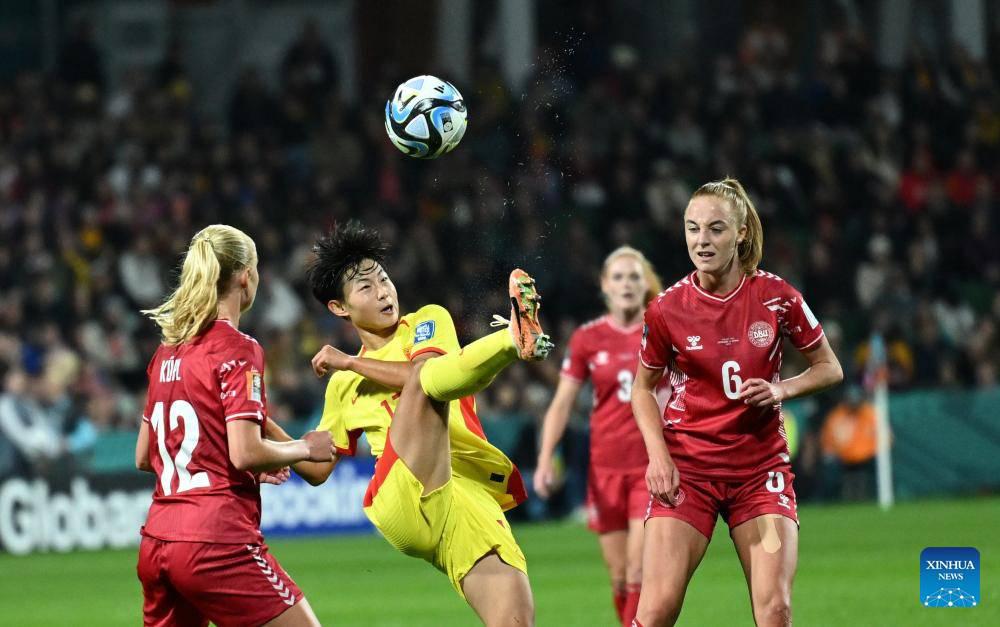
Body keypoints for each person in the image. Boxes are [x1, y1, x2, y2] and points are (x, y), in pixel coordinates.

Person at [270, 222, 552, 626]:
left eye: (384, 279)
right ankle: (511, 338)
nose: (383, 292)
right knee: (426, 385)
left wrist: (349, 361)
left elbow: (423, 374)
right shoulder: (343, 385)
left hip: (463, 494)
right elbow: (317, 469)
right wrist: (265, 425)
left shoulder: (427, 321)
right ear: (339, 308)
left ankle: (515, 335)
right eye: (366, 287)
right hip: (401, 497)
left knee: (515, 621)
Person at [631, 179, 843, 627]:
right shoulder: (666, 309)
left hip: (758, 474)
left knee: (775, 610)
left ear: (741, 232)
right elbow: (642, 388)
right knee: (656, 611)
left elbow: (830, 367)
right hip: (689, 471)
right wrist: (658, 457)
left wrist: (782, 389)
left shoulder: (777, 297)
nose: (701, 241)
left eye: (716, 228)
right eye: (692, 228)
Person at [135, 225, 332, 627]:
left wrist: (230, 465)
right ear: (245, 275)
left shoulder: (167, 351)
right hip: (215, 541)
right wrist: (304, 448)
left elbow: (144, 456)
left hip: (157, 541)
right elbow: (245, 452)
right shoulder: (239, 348)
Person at [534, 246, 663, 626]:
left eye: (634, 277)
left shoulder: (661, 332)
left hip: (649, 468)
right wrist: (545, 458)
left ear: (644, 284)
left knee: (639, 569)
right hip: (604, 469)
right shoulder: (588, 339)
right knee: (620, 576)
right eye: (618, 277)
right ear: (605, 285)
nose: (626, 284)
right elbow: (561, 403)